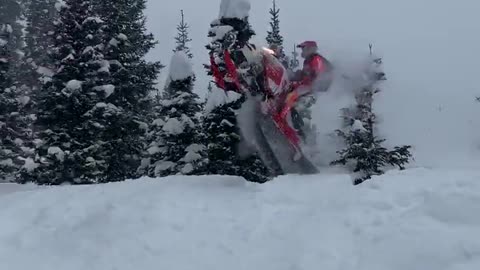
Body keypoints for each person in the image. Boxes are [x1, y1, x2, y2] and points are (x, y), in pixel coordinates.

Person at [287, 41, 333, 138]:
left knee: (294, 104)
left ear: (310, 49)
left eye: (303, 48)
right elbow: (305, 76)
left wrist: (305, 76)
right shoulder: (307, 61)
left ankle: (303, 134)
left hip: (316, 91)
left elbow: (316, 74)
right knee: (289, 97)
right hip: (309, 88)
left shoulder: (316, 59)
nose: (302, 51)